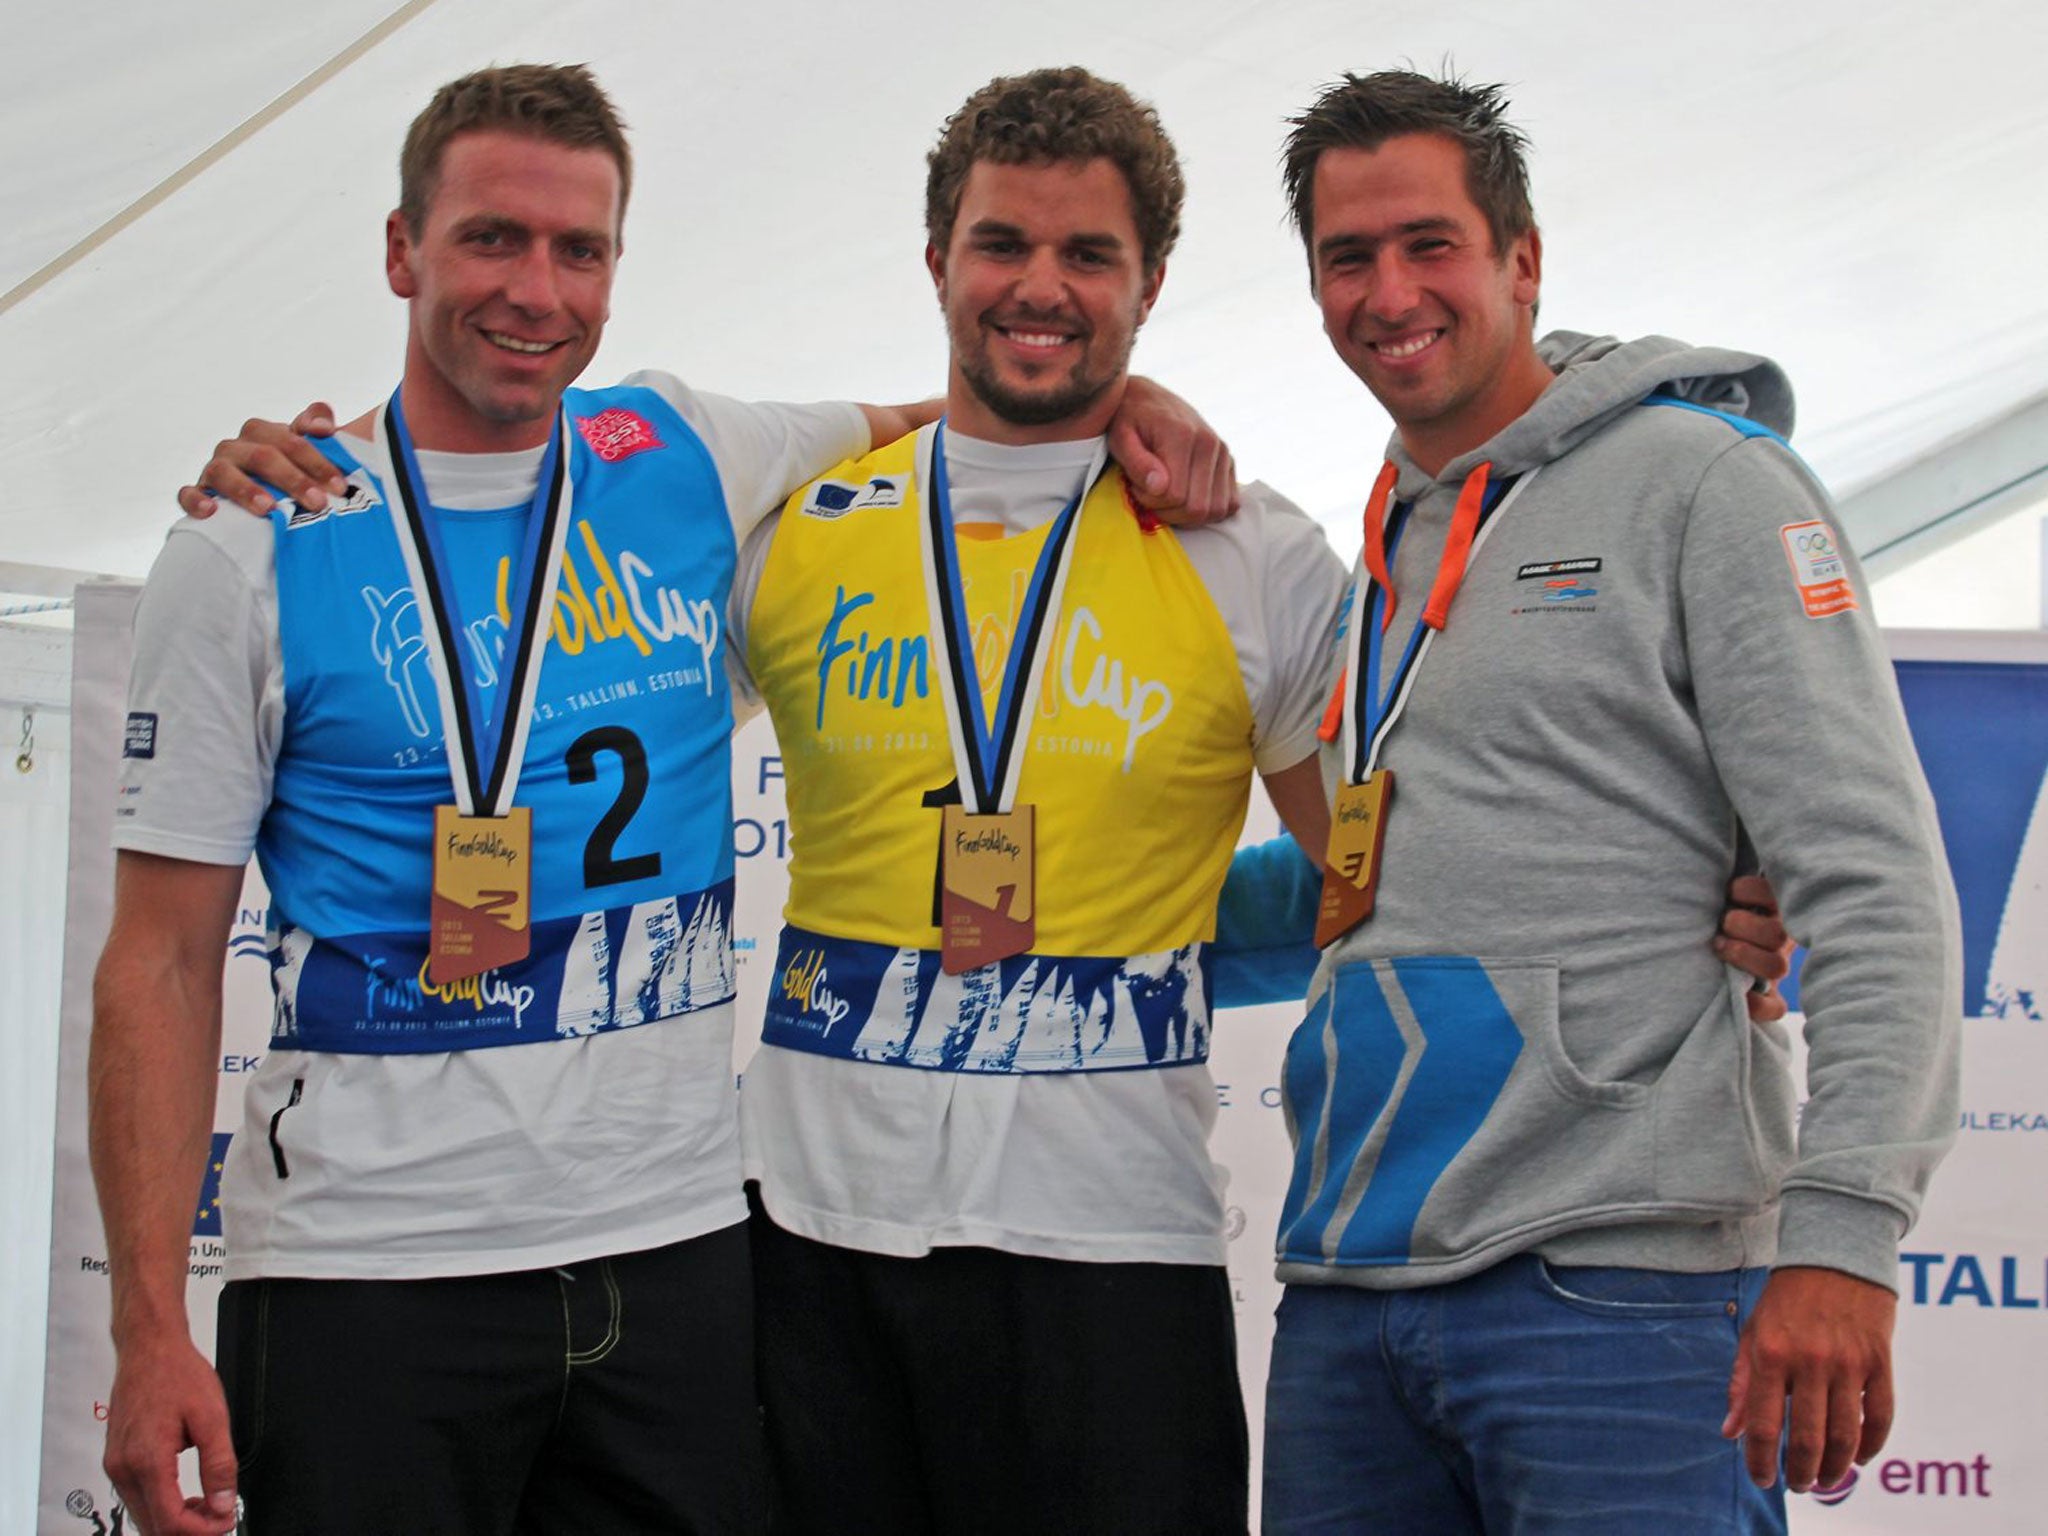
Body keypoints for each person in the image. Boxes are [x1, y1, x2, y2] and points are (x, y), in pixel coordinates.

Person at [89, 62, 949, 1536]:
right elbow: (160, 962)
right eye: (492, 237)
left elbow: (978, 418)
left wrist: (1142, 405)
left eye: (580, 249)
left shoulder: (681, 444)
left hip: (675, 1258)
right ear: (400, 249)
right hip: (369, 1277)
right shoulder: (251, 545)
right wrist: (149, 1329)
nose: (536, 290)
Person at [1256, 70, 1961, 1534]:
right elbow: (1382, 881)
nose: (1390, 290)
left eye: (1429, 242)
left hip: (1619, 1292)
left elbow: (1873, 882)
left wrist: (1842, 1237)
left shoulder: (1702, 482)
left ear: (1521, 258)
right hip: (1349, 1295)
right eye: (1348, 256)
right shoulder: (1387, 530)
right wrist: (1082, 921)